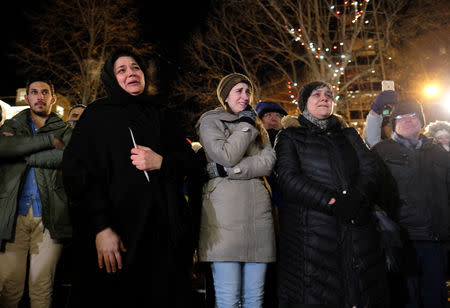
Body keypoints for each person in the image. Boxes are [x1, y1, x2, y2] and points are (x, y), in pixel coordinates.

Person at [62, 48, 197, 307]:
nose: (130, 73)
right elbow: (77, 174)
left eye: (135, 67)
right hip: (118, 237)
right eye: (121, 70)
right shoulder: (97, 115)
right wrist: (101, 227)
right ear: (112, 78)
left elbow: (191, 163)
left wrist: (162, 162)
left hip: (161, 239)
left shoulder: (161, 114)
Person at [274, 81, 389, 308]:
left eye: (328, 94)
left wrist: (357, 197)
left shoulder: (349, 134)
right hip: (313, 234)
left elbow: (370, 169)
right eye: (316, 94)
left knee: (359, 291)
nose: (324, 98)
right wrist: (332, 201)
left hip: (357, 227)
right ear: (304, 103)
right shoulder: (289, 136)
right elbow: (288, 179)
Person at [196, 73, 276, 308]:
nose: (245, 96)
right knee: (228, 299)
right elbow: (226, 155)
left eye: (247, 91)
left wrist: (227, 171)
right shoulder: (211, 120)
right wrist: (245, 125)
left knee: (255, 299)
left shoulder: (258, 125)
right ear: (225, 96)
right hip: (224, 220)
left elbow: (269, 162)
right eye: (238, 91)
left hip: (258, 218)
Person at [0, 77, 73, 307]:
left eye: (44, 92)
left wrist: (25, 152)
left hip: (49, 218)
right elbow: (4, 147)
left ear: (52, 98)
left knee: (41, 290)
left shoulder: (65, 129)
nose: (39, 96)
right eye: (34, 92)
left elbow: (68, 158)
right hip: (13, 216)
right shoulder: (10, 126)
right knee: (9, 289)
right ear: (27, 97)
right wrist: (49, 142)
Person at [372, 98, 450, 308]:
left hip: (435, 239)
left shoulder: (437, 151)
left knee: (436, 297)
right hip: (401, 239)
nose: (407, 120)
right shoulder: (381, 151)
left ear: (421, 121)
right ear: (393, 124)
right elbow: (372, 192)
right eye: (400, 117)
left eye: (413, 115)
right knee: (407, 298)